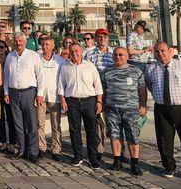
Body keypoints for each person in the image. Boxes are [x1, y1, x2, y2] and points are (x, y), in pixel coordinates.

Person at [145, 41, 181, 181]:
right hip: (162, 109)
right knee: (164, 141)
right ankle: (169, 167)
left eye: (163, 50)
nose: (160, 54)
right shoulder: (151, 68)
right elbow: (150, 86)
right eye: (157, 51)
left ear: (170, 51)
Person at [102, 47, 146, 175]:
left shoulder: (135, 71)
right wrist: (102, 105)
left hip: (131, 109)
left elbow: (142, 89)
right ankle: (117, 160)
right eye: (115, 54)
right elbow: (103, 90)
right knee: (115, 135)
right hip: (112, 109)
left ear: (127, 56)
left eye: (121, 54)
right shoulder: (107, 71)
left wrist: (142, 106)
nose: (118, 57)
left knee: (133, 136)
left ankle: (135, 163)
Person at [58, 44, 103, 168]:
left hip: (89, 101)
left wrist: (99, 102)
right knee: (74, 130)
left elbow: (98, 85)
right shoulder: (65, 67)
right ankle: (78, 156)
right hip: (72, 101)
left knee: (91, 131)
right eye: (72, 51)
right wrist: (62, 100)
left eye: (77, 51)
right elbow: (61, 86)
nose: (75, 53)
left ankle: (93, 157)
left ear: (81, 52)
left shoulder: (89, 66)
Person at [3, 32, 42, 162]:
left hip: (29, 92)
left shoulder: (33, 56)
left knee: (31, 124)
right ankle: (22, 149)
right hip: (14, 92)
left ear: (25, 42)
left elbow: (40, 76)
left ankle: (33, 152)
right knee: (18, 123)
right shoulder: (10, 56)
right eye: (16, 41)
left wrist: (40, 94)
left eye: (20, 41)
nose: (18, 43)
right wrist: (6, 92)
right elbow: (6, 76)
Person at [85, 28, 114, 160]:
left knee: (114, 121)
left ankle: (117, 152)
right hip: (96, 91)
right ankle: (99, 149)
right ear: (96, 39)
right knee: (97, 122)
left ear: (108, 38)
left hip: (111, 91)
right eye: (100, 37)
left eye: (105, 36)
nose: (102, 39)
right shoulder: (90, 55)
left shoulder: (114, 54)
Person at [36, 37, 65, 162]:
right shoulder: (37, 59)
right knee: (40, 123)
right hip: (40, 96)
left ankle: (56, 149)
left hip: (55, 96)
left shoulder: (60, 61)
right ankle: (41, 148)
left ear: (53, 45)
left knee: (56, 124)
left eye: (47, 44)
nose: (45, 47)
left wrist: (62, 96)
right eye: (43, 44)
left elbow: (63, 80)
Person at [0, 40, 16, 153]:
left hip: (8, 91)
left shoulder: (10, 59)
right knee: (0, 118)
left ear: (6, 48)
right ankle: (3, 142)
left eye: (2, 46)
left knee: (11, 117)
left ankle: (12, 143)